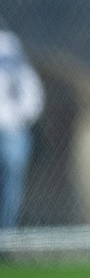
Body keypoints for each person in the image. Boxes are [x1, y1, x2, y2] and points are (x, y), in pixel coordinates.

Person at [0, 22, 44, 229]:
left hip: (11, 128)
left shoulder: (10, 50)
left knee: (12, 170)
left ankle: (6, 237)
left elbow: (31, 92)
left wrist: (20, 118)